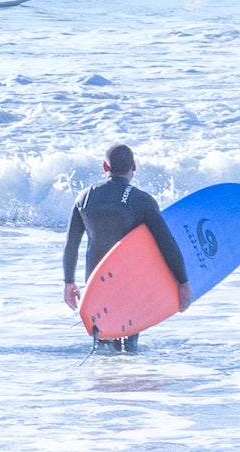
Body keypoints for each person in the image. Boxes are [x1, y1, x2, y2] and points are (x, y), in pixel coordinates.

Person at [62, 143, 193, 352]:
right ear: (134, 166)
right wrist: (183, 282)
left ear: (105, 167)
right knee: (129, 347)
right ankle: (128, 377)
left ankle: (102, 379)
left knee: (102, 344)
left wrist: (69, 282)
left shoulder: (84, 198)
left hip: (95, 283)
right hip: (130, 284)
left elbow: (71, 244)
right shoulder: (142, 200)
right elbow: (166, 243)